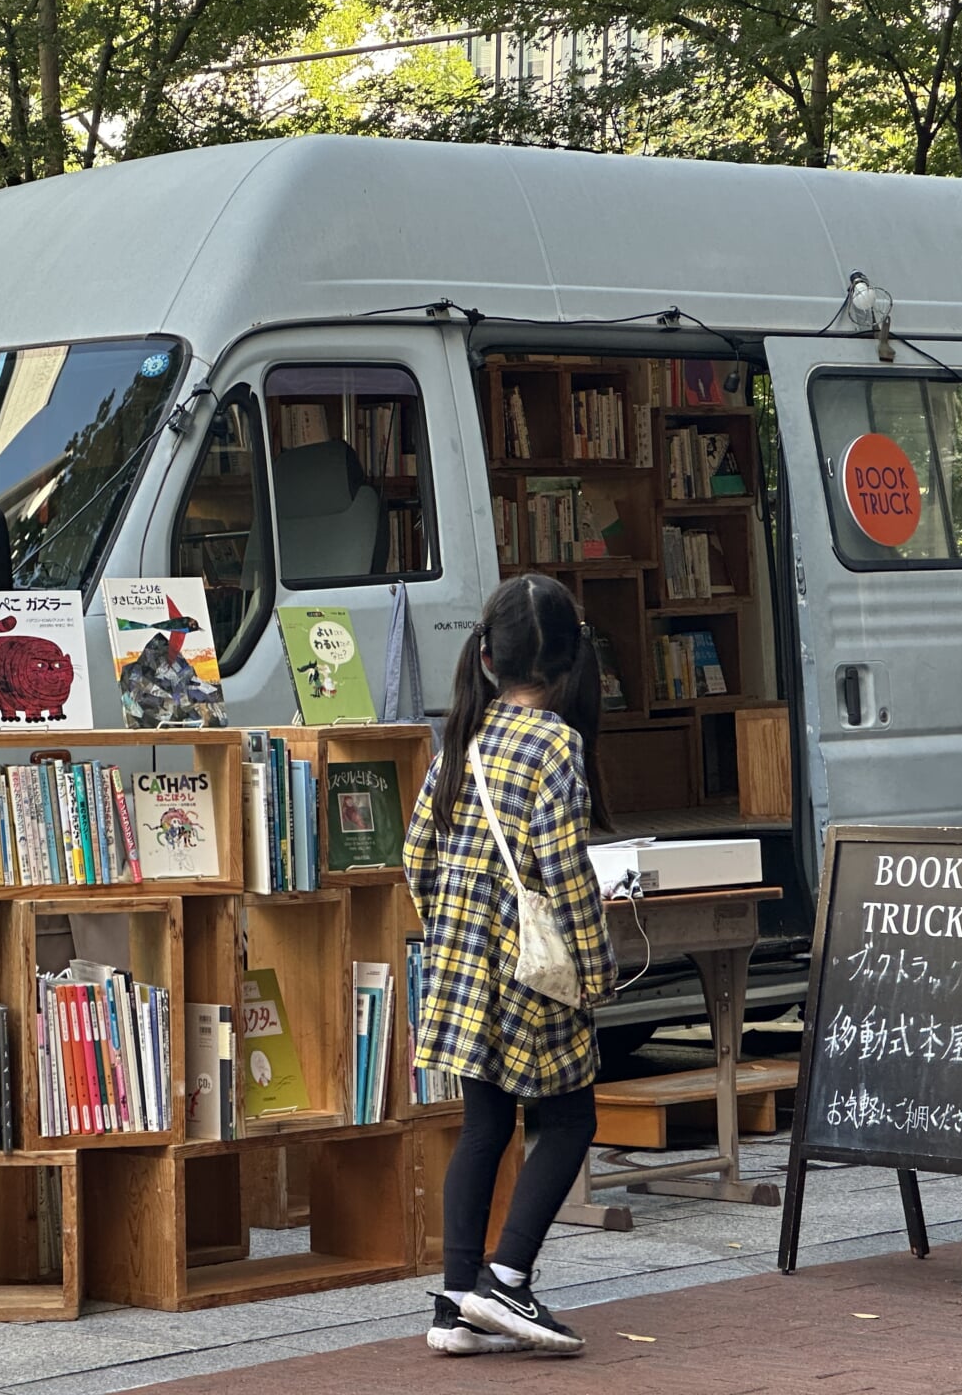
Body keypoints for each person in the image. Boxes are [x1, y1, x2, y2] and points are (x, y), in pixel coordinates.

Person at [404, 572, 616, 1358]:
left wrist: (450, 927)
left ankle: (455, 1305)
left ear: (486, 658)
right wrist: (595, 972)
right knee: (568, 1118)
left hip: (461, 965)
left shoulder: (465, 735)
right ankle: (509, 1279)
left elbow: (415, 854)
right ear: (566, 665)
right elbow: (564, 876)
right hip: (532, 975)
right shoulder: (557, 744)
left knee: (483, 1125)